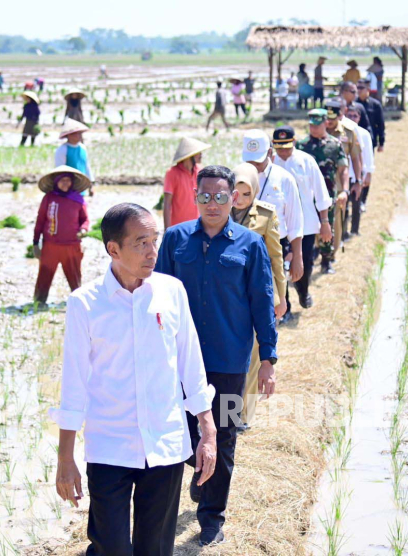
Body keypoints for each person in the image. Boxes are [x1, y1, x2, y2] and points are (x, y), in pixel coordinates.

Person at [51, 203, 217, 556]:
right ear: (114, 249)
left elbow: (191, 362)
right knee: (110, 546)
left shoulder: (171, 291)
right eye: (141, 242)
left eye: (154, 240)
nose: (152, 252)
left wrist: (208, 429)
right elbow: (74, 383)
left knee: (155, 548)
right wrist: (65, 459)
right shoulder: (85, 304)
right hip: (110, 442)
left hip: (165, 440)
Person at [155, 165, 277, 547]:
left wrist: (269, 359)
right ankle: (196, 471)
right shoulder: (175, 241)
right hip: (179, 361)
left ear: (234, 199)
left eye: (221, 196)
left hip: (227, 363)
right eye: (205, 196)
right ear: (195, 197)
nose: (213, 204)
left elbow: (262, 302)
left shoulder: (249, 244)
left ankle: (211, 518)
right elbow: (153, 298)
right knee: (182, 436)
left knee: (222, 437)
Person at [230, 163, 286, 428]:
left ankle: (242, 417)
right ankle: (227, 414)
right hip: (227, 296)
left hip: (256, 295)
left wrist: (282, 297)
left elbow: (276, 257)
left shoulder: (265, 216)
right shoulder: (217, 214)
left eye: (245, 193)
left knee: (254, 358)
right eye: (234, 192)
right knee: (230, 357)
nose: (238, 199)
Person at [242, 129, 304, 321]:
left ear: (270, 153)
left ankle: (278, 315)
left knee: (277, 284)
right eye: (250, 160)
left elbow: (295, 221)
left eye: (258, 160)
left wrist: (298, 255)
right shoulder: (236, 178)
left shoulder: (284, 179)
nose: (254, 165)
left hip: (276, 244)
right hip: (245, 244)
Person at [273, 125, 332, 308]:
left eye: (287, 146)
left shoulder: (306, 161)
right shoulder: (270, 164)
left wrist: (325, 222)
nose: (283, 151)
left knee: (304, 261)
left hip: (305, 224)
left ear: (295, 143)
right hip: (279, 226)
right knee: (280, 266)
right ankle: (286, 304)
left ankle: (303, 291)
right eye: (279, 147)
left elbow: (321, 193)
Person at [297, 109, 348, 275]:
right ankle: (307, 257)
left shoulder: (334, 145)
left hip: (327, 194)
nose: (314, 128)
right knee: (305, 229)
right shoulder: (301, 145)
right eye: (311, 125)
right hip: (305, 196)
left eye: (317, 125)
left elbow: (343, 170)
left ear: (326, 123)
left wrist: (345, 190)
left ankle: (327, 260)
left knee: (327, 227)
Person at [32, 166, 91, 305]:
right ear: (56, 182)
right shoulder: (49, 198)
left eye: (68, 180)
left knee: (75, 277)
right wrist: (35, 243)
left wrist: (83, 229)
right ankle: (39, 303)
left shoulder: (78, 200)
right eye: (62, 180)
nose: (65, 183)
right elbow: (40, 220)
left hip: (72, 245)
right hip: (50, 246)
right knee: (44, 276)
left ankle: (79, 303)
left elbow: (85, 220)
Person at [325, 98, 363, 242]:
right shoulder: (317, 132)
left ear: (339, 115)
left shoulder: (348, 132)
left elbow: (355, 158)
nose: (329, 122)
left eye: (332, 118)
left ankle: (334, 247)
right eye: (327, 118)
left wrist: (358, 181)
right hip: (320, 182)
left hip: (341, 181)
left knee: (339, 216)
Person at [163, 137, 210, 229]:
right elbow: (167, 204)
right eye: (198, 153)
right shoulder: (172, 173)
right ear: (190, 156)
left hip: (197, 226)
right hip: (178, 227)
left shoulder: (200, 171)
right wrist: (167, 231)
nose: (201, 155)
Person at [345, 103, 374, 234]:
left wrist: (368, 174)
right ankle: (343, 232)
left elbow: (368, 155)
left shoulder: (364, 134)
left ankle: (355, 230)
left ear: (359, 118)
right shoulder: (343, 132)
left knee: (356, 204)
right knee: (344, 205)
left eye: (355, 116)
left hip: (357, 173)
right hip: (345, 174)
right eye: (349, 115)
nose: (352, 118)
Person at [54, 118, 95, 196]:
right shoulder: (62, 150)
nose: (79, 136)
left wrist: (90, 185)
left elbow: (87, 167)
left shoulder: (83, 148)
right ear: (68, 135)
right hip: (68, 188)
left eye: (80, 133)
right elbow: (59, 171)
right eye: (76, 133)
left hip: (81, 186)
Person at [357, 79, 385, 153]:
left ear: (368, 89)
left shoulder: (375, 105)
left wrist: (381, 142)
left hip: (370, 139)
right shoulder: (354, 104)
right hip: (355, 139)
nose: (359, 90)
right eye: (358, 88)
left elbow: (380, 124)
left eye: (361, 88)